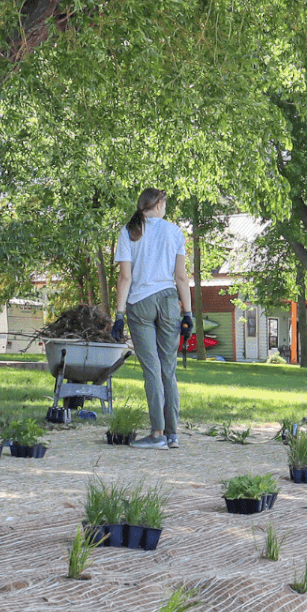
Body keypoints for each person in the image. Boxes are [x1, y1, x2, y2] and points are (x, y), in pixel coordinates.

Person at [110, 188, 191, 449]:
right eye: (164, 202)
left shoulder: (128, 231)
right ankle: (172, 434)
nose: (166, 207)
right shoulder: (174, 232)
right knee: (168, 369)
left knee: (152, 370)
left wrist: (119, 315)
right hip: (169, 302)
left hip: (140, 304)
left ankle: (157, 434)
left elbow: (125, 277)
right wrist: (188, 313)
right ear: (157, 204)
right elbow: (181, 277)